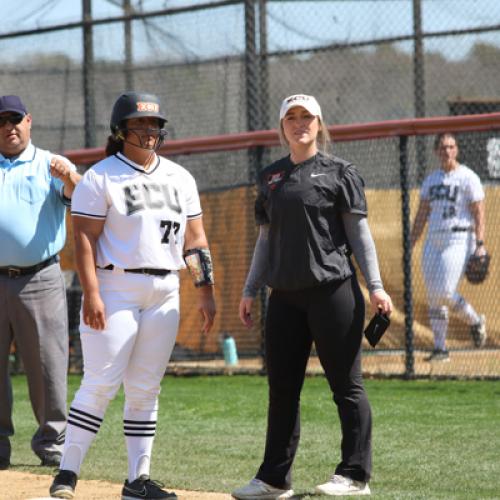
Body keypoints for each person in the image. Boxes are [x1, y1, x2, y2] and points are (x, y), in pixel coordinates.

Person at [49, 91, 216, 500]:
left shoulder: (180, 177)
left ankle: (137, 480)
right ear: (121, 130)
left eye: (155, 125)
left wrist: (205, 290)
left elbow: (195, 241)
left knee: (145, 388)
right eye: (140, 124)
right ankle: (67, 473)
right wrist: (91, 294)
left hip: (165, 290)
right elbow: (84, 239)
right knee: (101, 382)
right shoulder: (100, 176)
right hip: (114, 286)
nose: (149, 131)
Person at [232, 94, 393, 499]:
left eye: (307, 116)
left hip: (333, 292)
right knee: (282, 390)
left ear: (319, 124)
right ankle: (273, 479)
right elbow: (265, 241)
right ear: (281, 127)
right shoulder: (270, 177)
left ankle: (355, 475)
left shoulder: (341, 172)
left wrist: (375, 286)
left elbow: (359, 236)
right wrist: (250, 289)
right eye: (292, 117)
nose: (300, 122)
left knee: (346, 386)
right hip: (284, 298)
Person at [0, 95, 80, 470]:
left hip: (40, 277)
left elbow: (80, 196)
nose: (8, 126)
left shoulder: (50, 164)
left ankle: (52, 441)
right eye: (1, 121)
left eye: (15, 119)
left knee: (47, 363)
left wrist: (69, 178)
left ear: (29, 121)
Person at [410, 132, 487, 362]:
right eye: (443, 147)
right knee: (434, 296)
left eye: (452, 146)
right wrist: (411, 242)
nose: (447, 151)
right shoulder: (431, 179)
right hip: (433, 240)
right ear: (436, 151)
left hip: (459, 239)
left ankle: (475, 320)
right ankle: (440, 348)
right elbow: (422, 214)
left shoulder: (468, 177)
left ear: (457, 150)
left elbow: (479, 213)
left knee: (444, 291)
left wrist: (480, 244)